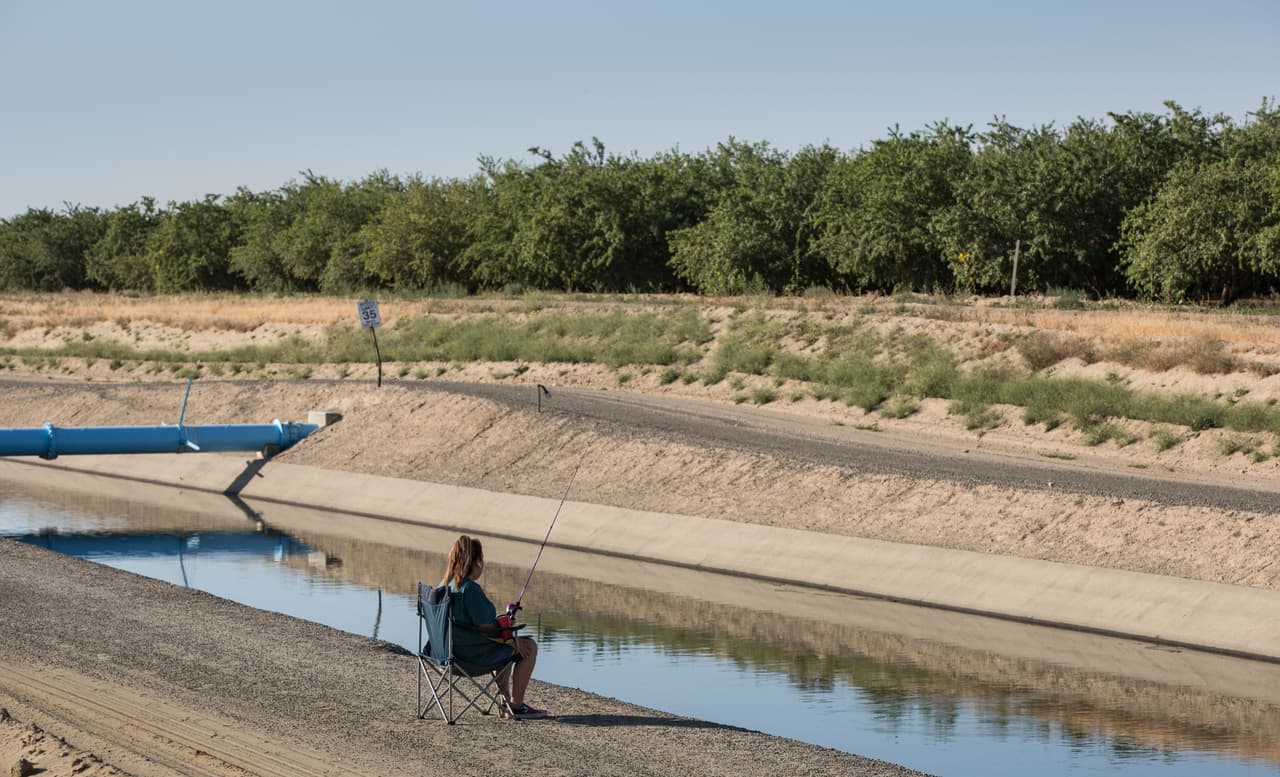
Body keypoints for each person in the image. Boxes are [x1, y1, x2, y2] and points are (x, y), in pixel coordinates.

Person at [442, 534, 547, 720]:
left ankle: (504, 699)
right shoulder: (470, 589)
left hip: (446, 654)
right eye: (481, 560)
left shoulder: (444, 587)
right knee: (529, 646)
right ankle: (516, 705)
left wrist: (504, 626)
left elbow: (474, 624)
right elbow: (486, 631)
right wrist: (512, 641)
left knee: (505, 644)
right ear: (476, 562)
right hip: (470, 657)